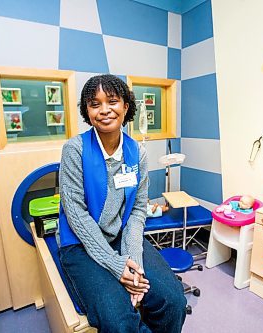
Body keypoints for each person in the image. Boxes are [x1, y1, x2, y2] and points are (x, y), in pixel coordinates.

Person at [58, 74, 187, 332]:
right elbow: (76, 214)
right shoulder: (75, 150)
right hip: (80, 244)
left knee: (174, 301)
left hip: (120, 237)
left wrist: (134, 262)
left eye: (113, 101)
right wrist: (116, 265)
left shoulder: (136, 152)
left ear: (126, 106)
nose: (104, 110)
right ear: (87, 110)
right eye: (95, 104)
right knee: (118, 321)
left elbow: (138, 210)